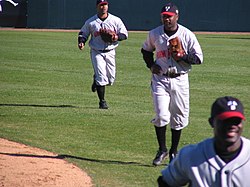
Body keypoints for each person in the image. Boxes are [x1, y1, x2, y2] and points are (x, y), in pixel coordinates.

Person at [141, 2, 203, 166]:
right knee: (162, 115)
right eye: (164, 17)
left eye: (169, 17)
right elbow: (146, 50)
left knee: (179, 118)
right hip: (160, 79)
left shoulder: (187, 34)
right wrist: (150, 65)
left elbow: (198, 59)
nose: (166, 19)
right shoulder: (154, 34)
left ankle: (174, 151)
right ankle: (162, 149)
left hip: (180, 79)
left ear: (177, 16)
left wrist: (182, 56)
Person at [158, 96, 249, 187]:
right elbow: (166, 182)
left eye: (236, 121)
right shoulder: (191, 155)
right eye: (226, 121)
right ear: (211, 122)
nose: (232, 126)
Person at [78, 0, 128, 109]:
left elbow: (124, 34)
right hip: (97, 52)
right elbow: (83, 33)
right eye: (101, 5)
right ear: (97, 7)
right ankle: (102, 102)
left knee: (110, 80)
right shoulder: (91, 22)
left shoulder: (115, 20)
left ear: (108, 6)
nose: (103, 7)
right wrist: (81, 41)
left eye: (105, 5)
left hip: (110, 52)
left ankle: (96, 79)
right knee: (102, 78)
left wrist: (116, 37)